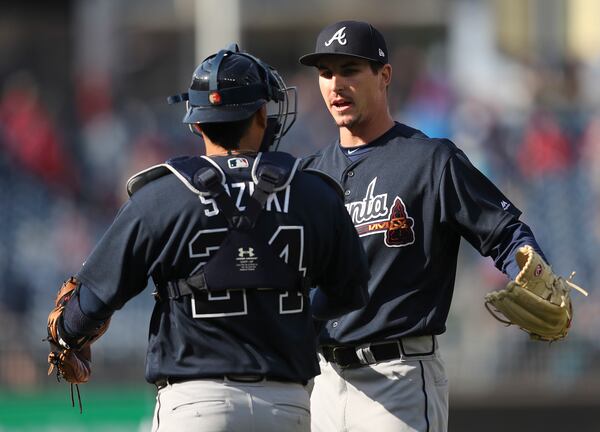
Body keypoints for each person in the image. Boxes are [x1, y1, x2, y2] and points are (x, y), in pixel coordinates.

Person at [46, 45, 369, 432]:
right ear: (262, 115)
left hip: (196, 405)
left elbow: (92, 301)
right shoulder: (315, 192)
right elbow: (350, 292)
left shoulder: (160, 196)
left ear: (196, 124)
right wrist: (293, 315)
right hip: (287, 405)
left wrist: (67, 335)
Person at [298, 20, 582, 432]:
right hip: (323, 382)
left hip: (398, 378)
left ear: (385, 76)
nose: (336, 84)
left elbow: (503, 233)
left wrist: (527, 262)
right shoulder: (310, 173)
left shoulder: (430, 160)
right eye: (326, 73)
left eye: (350, 70)